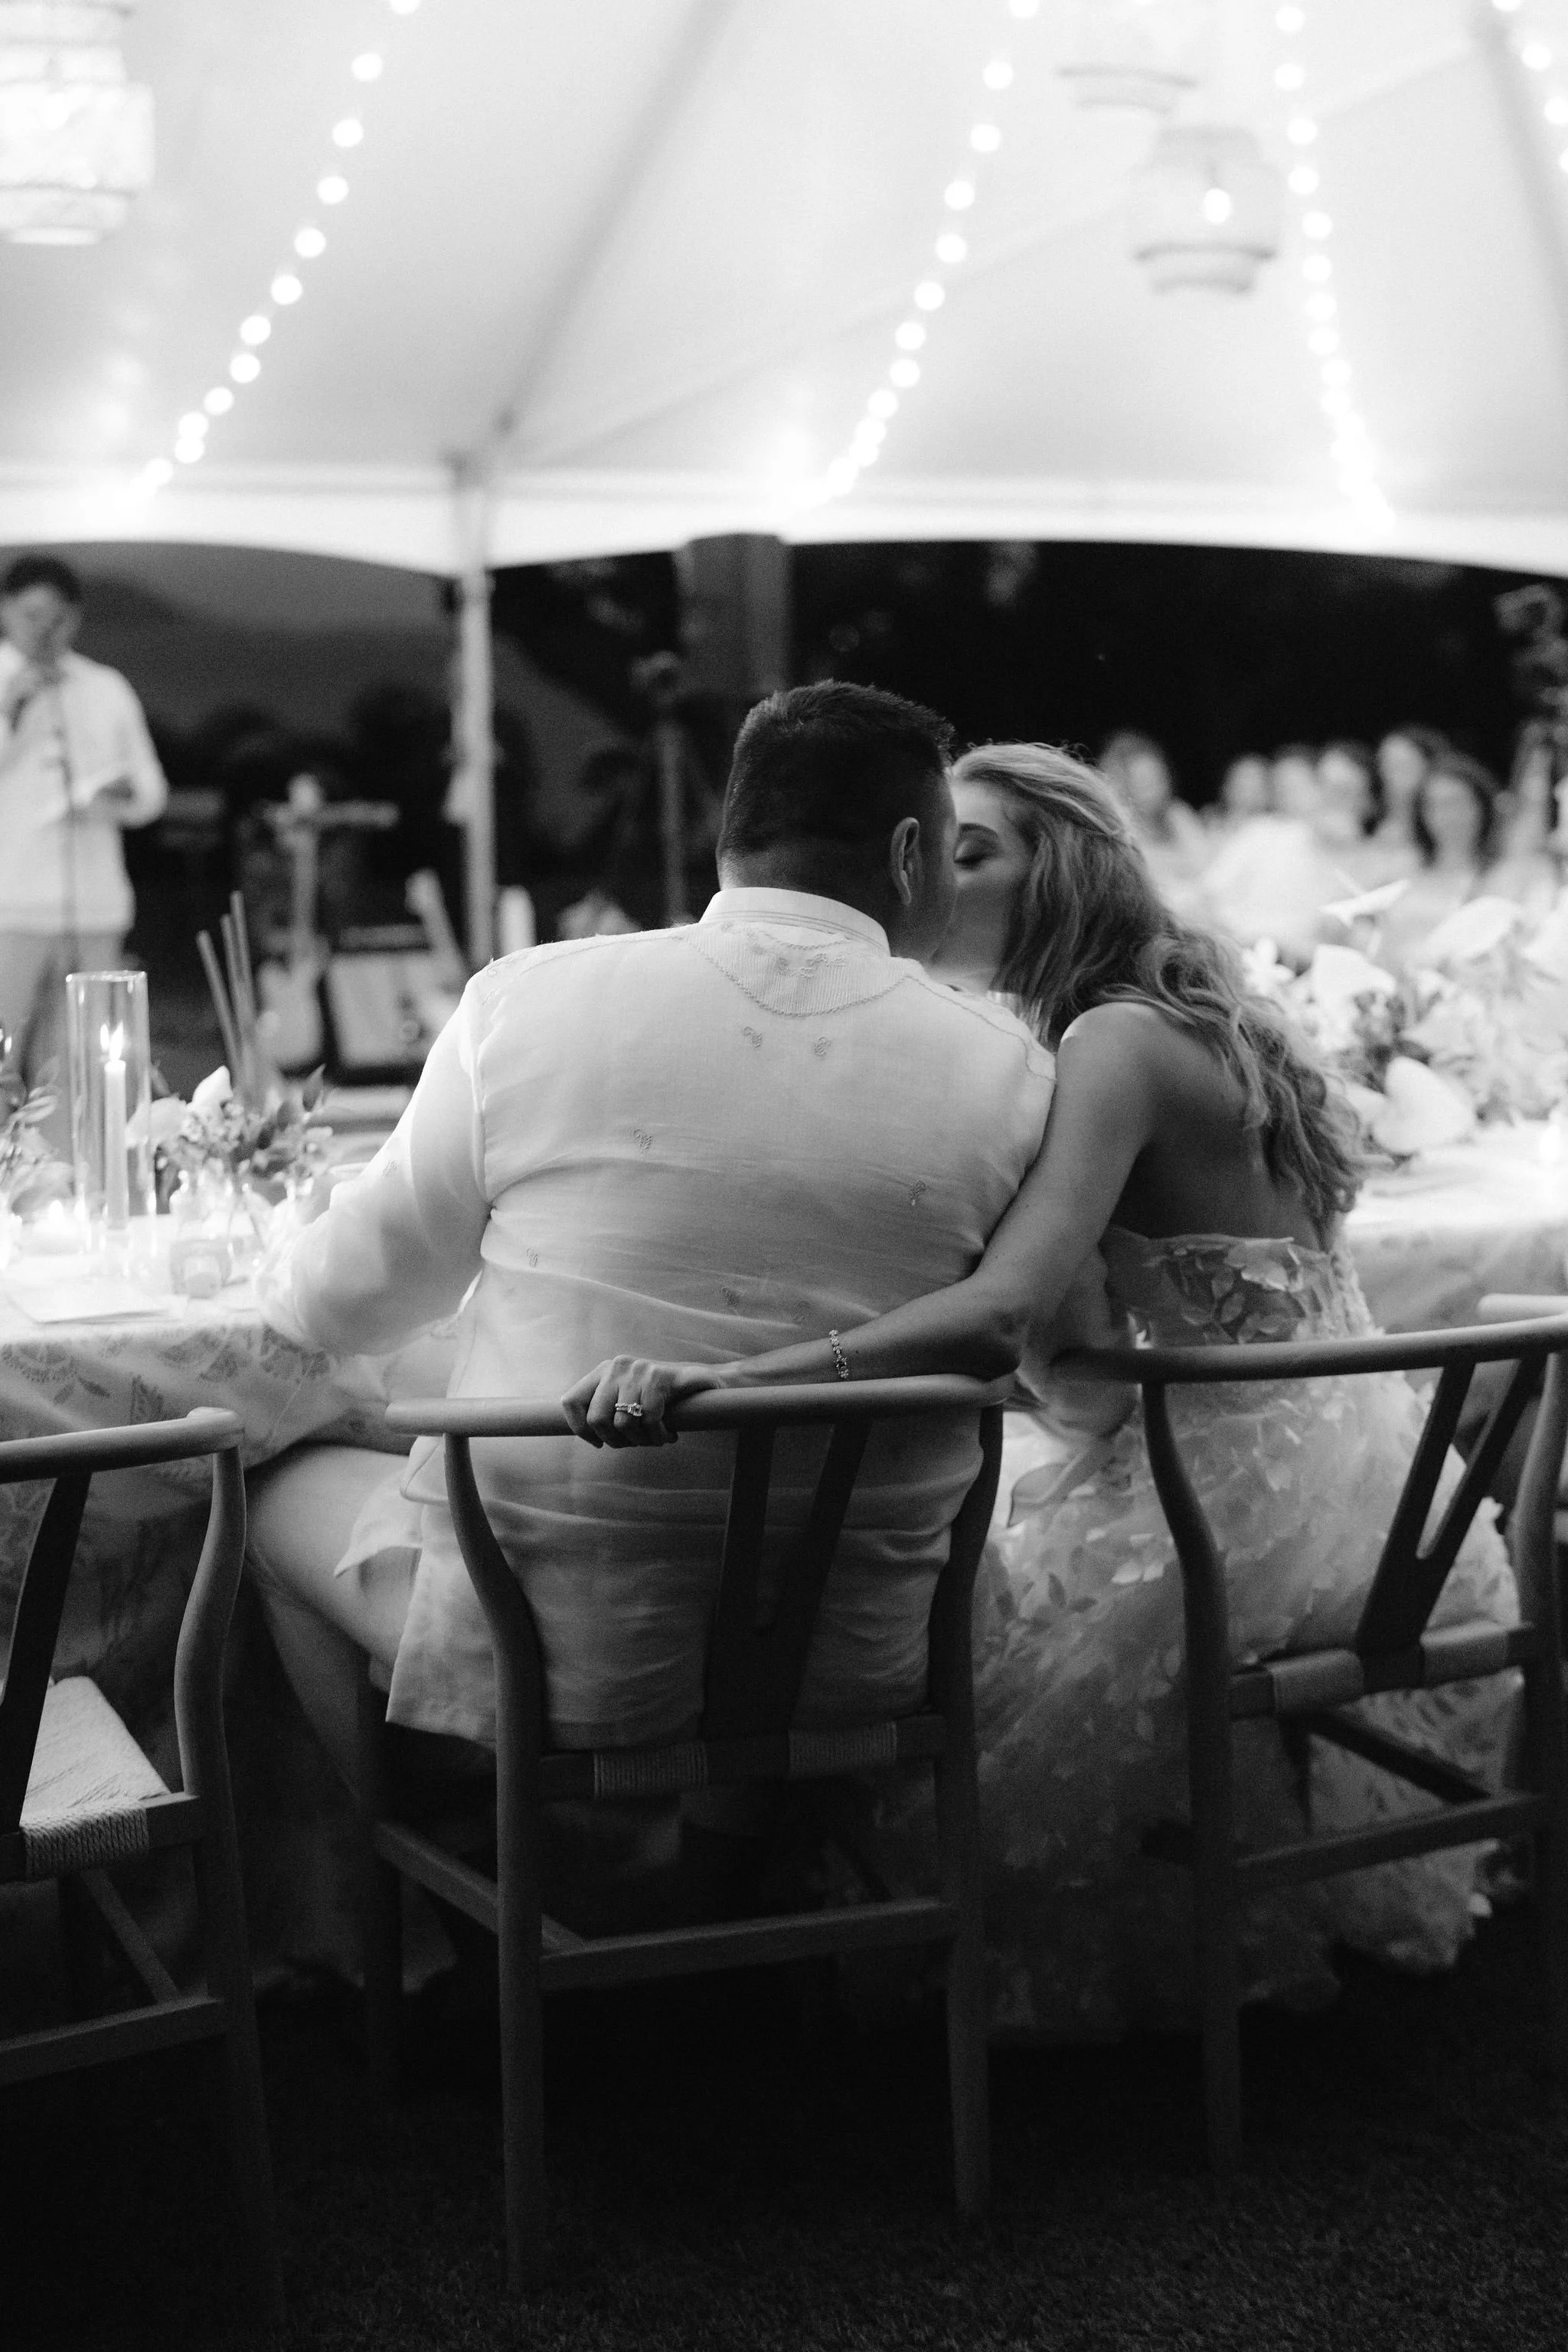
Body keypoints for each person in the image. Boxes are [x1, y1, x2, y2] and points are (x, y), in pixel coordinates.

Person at [576, 744, 1518, 2038]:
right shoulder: (1199, 1013)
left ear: (1062, 870)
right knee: (936, 1517)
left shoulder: (1110, 1040)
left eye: (973, 852)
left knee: (881, 1594)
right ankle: (697, 1931)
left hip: (1240, 1515)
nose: (932, 877)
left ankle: (690, 1949)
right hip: (1380, 1487)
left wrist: (739, 1373)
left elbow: (999, 1314)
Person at [248, 683, 1056, 1816]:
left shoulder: (529, 999)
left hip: (560, 1653)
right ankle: (741, 1854)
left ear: (732, 835)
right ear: (908, 852)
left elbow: (342, 1303)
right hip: (864, 1650)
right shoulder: (1012, 1065)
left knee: (271, 1492)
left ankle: (415, 1883)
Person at [0, 554, 167, 1097]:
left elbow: (151, 792)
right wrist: (11, 712)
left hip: (94, 902)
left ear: (74, 619)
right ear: (6, 611)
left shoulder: (105, 686)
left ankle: (76, 1153)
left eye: (56, 618)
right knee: (4, 1052)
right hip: (12, 905)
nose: (43, 630)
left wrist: (119, 794)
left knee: (87, 1064)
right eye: (31, 616)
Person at [1375, 750, 1502, 972]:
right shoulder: (1403, 866)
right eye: (1433, 805)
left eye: (1455, 803)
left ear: (1480, 807)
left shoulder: (1497, 876)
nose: (1445, 817)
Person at [1098, 730, 1209, 916]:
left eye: (1158, 779)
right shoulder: (1122, 830)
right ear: (1125, 785)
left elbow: (1208, 867)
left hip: (1199, 907)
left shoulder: (1179, 815)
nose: (1155, 789)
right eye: (1143, 782)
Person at [1374, 724, 1447, 867]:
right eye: (1386, 763)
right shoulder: (1371, 820)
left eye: (1403, 765)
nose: (1390, 774)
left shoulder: (1442, 824)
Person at [1207, 753, 1272, 832]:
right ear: (1226, 787)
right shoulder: (1209, 821)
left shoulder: (1274, 830)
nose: (1247, 794)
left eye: (1254, 785)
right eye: (1240, 782)